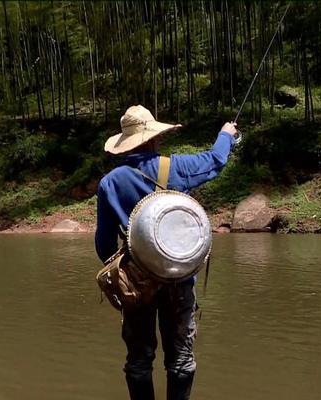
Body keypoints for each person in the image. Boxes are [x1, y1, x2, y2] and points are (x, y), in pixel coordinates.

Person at [95, 105, 238, 400]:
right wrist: (226, 134)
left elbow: (104, 246)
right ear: (155, 138)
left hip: (135, 283)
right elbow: (214, 161)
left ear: (127, 143)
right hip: (178, 280)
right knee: (181, 360)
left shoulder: (110, 183)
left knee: (138, 360)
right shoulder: (175, 168)